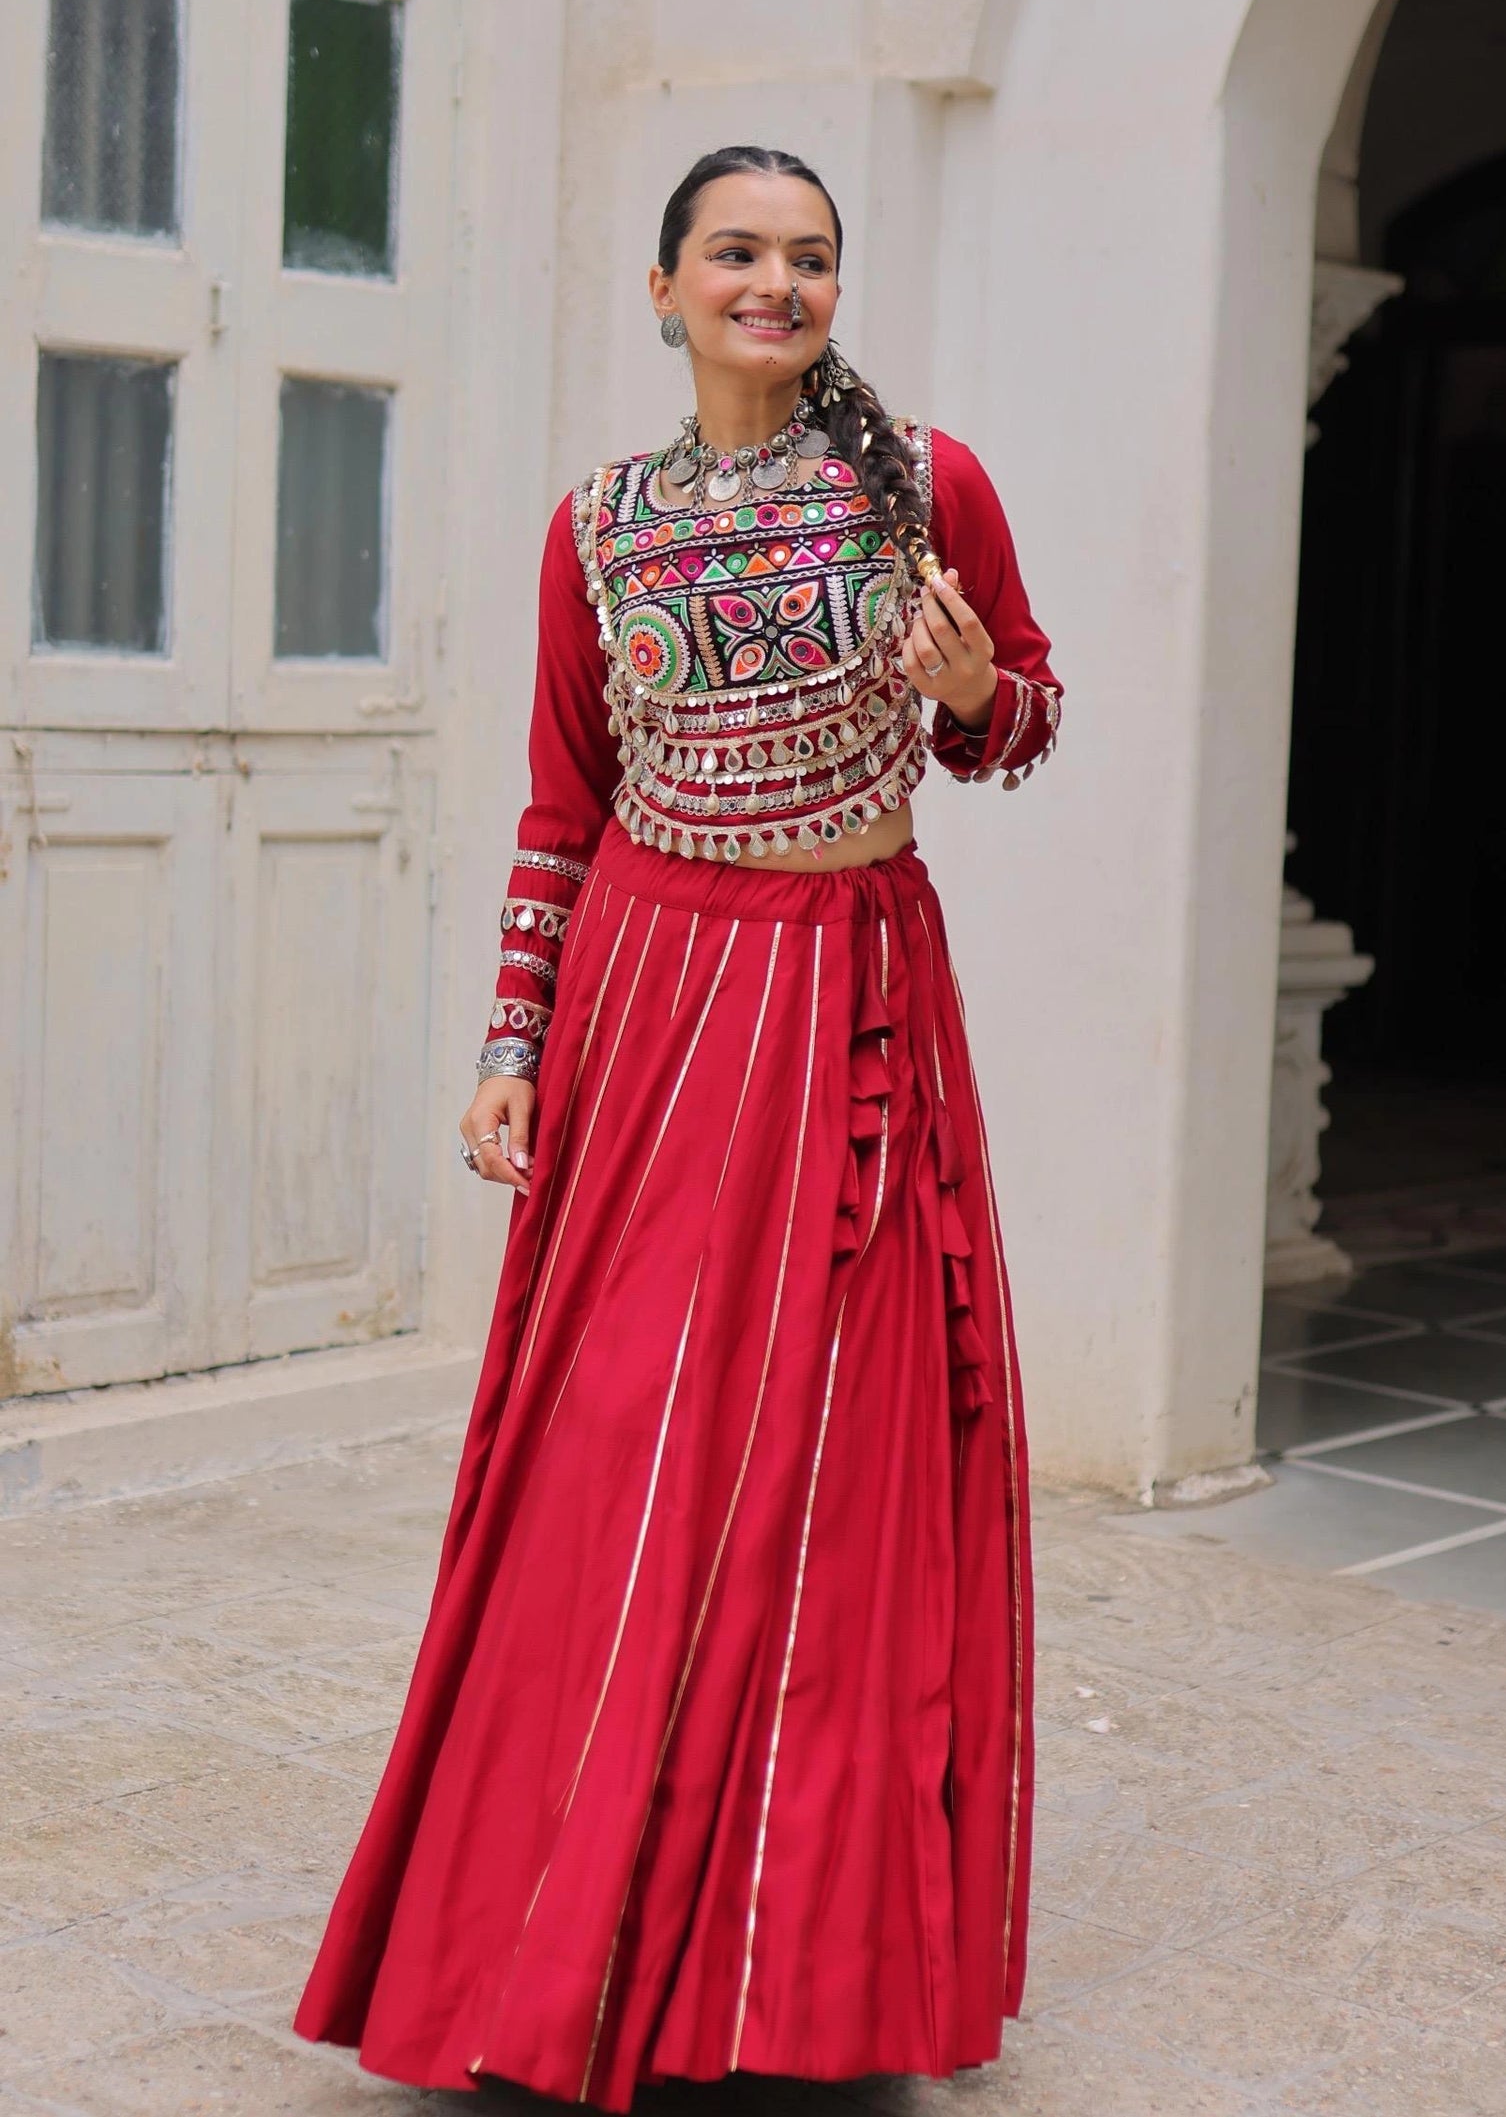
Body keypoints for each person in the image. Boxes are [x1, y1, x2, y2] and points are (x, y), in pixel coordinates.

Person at [295, 145, 1061, 2110]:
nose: (774, 282)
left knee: (829, 1448)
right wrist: (510, 1040)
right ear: (661, 287)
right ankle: (545, 1936)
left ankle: (793, 1985)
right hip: (647, 1004)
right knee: (612, 1449)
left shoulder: (924, 485)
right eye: (736, 252)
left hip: (843, 995)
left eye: (808, 258)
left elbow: (1020, 716)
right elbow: (564, 799)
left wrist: (975, 687)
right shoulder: (596, 528)